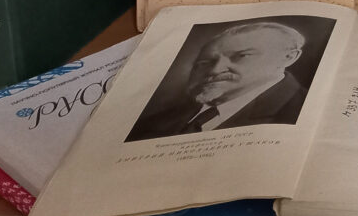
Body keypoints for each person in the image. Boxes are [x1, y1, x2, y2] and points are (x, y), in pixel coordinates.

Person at [127, 20, 310, 141]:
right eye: (204, 63)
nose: (215, 70)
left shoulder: (302, 112)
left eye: (242, 56)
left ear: (288, 57)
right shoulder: (152, 122)